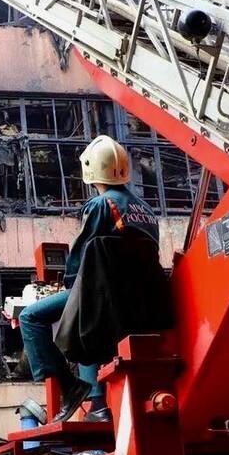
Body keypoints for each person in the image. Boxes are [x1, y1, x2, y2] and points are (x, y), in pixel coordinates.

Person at [18, 135, 159, 423]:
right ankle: (97, 405)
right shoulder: (146, 211)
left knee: (30, 318)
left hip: (104, 296)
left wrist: (71, 286)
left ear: (90, 170)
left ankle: (73, 390)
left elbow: (84, 255)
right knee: (86, 313)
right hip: (142, 303)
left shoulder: (100, 205)